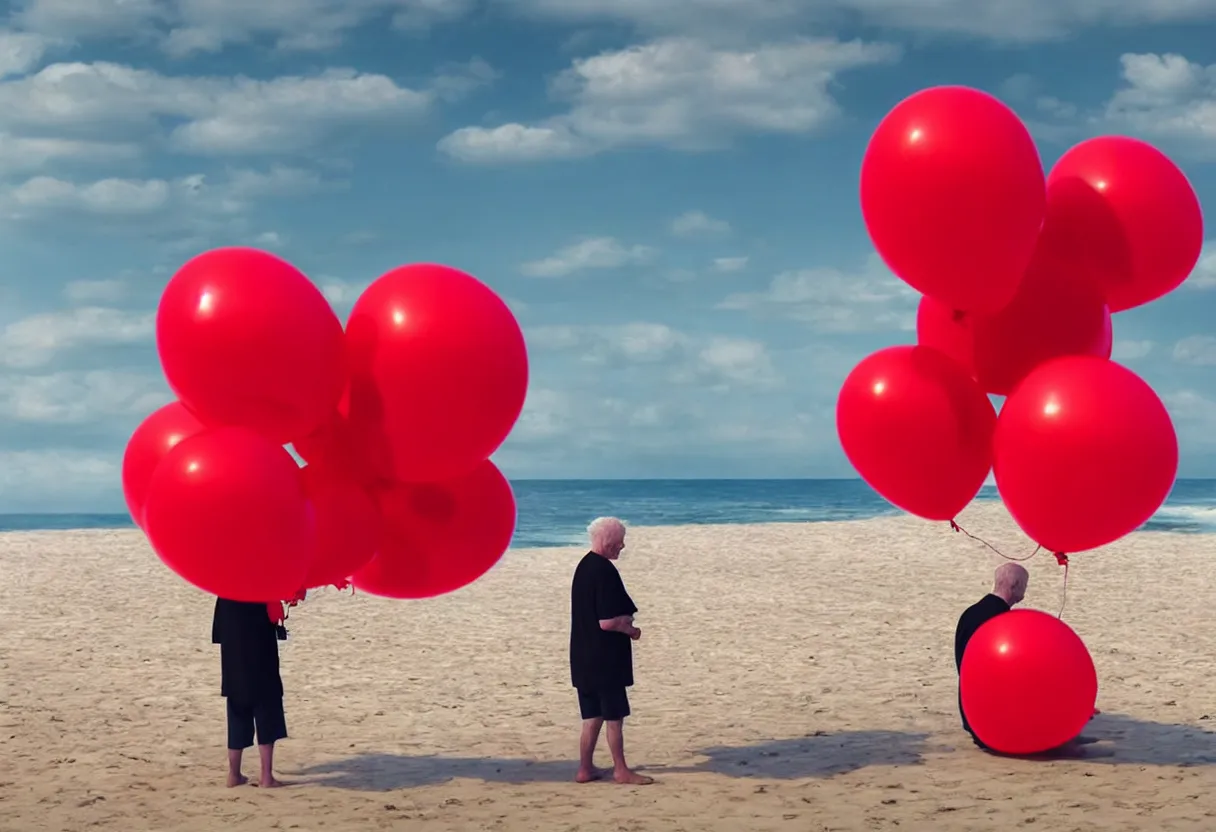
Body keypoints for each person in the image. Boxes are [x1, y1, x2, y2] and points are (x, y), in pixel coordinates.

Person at [568, 516, 653, 786]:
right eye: (619, 541)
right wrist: (630, 630)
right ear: (607, 540)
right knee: (614, 717)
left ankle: (584, 769)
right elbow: (607, 622)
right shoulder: (603, 570)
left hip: (583, 657)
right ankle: (621, 770)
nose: (622, 546)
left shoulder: (584, 567)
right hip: (605, 660)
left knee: (592, 717)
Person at [212, 597, 290, 787]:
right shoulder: (259, 584)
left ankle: (234, 775)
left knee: (237, 710)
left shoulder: (225, 586)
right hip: (260, 652)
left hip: (234, 655)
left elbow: (219, 631)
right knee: (266, 710)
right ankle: (266, 777)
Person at [954, 562, 1028, 749]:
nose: (1025, 590)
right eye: (1025, 585)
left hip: (970, 713)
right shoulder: (1002, 620)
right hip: (991, 719)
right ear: (1015, 585)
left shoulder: (970, 612)